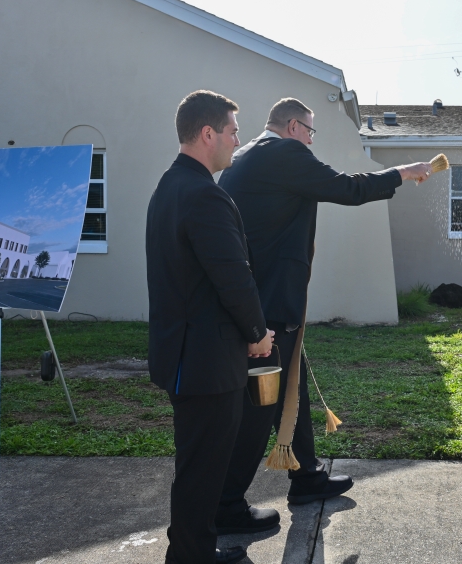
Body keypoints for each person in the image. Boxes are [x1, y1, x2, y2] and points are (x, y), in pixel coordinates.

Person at [215, 97, 431, 534]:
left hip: (259, 299)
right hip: (269, 304)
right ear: (294, 127)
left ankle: (307, 475)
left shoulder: (246, 155)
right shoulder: (284, 152)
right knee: (261, 403)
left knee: (291, 384)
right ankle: (226, 507)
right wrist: (403, 174)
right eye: (311, 132)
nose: (312, 141)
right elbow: (347, 188)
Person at [146, 90, 274, 564]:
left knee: (197, 465)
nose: (237, 142)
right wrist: (258, 334)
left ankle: (191, 549)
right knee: (202, 469)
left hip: (185, 355)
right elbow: (233, 279)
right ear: (207, 134)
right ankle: (190, 557)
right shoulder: (203, 195)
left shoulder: (168, 187)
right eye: (233, 132)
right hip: (204, 360)